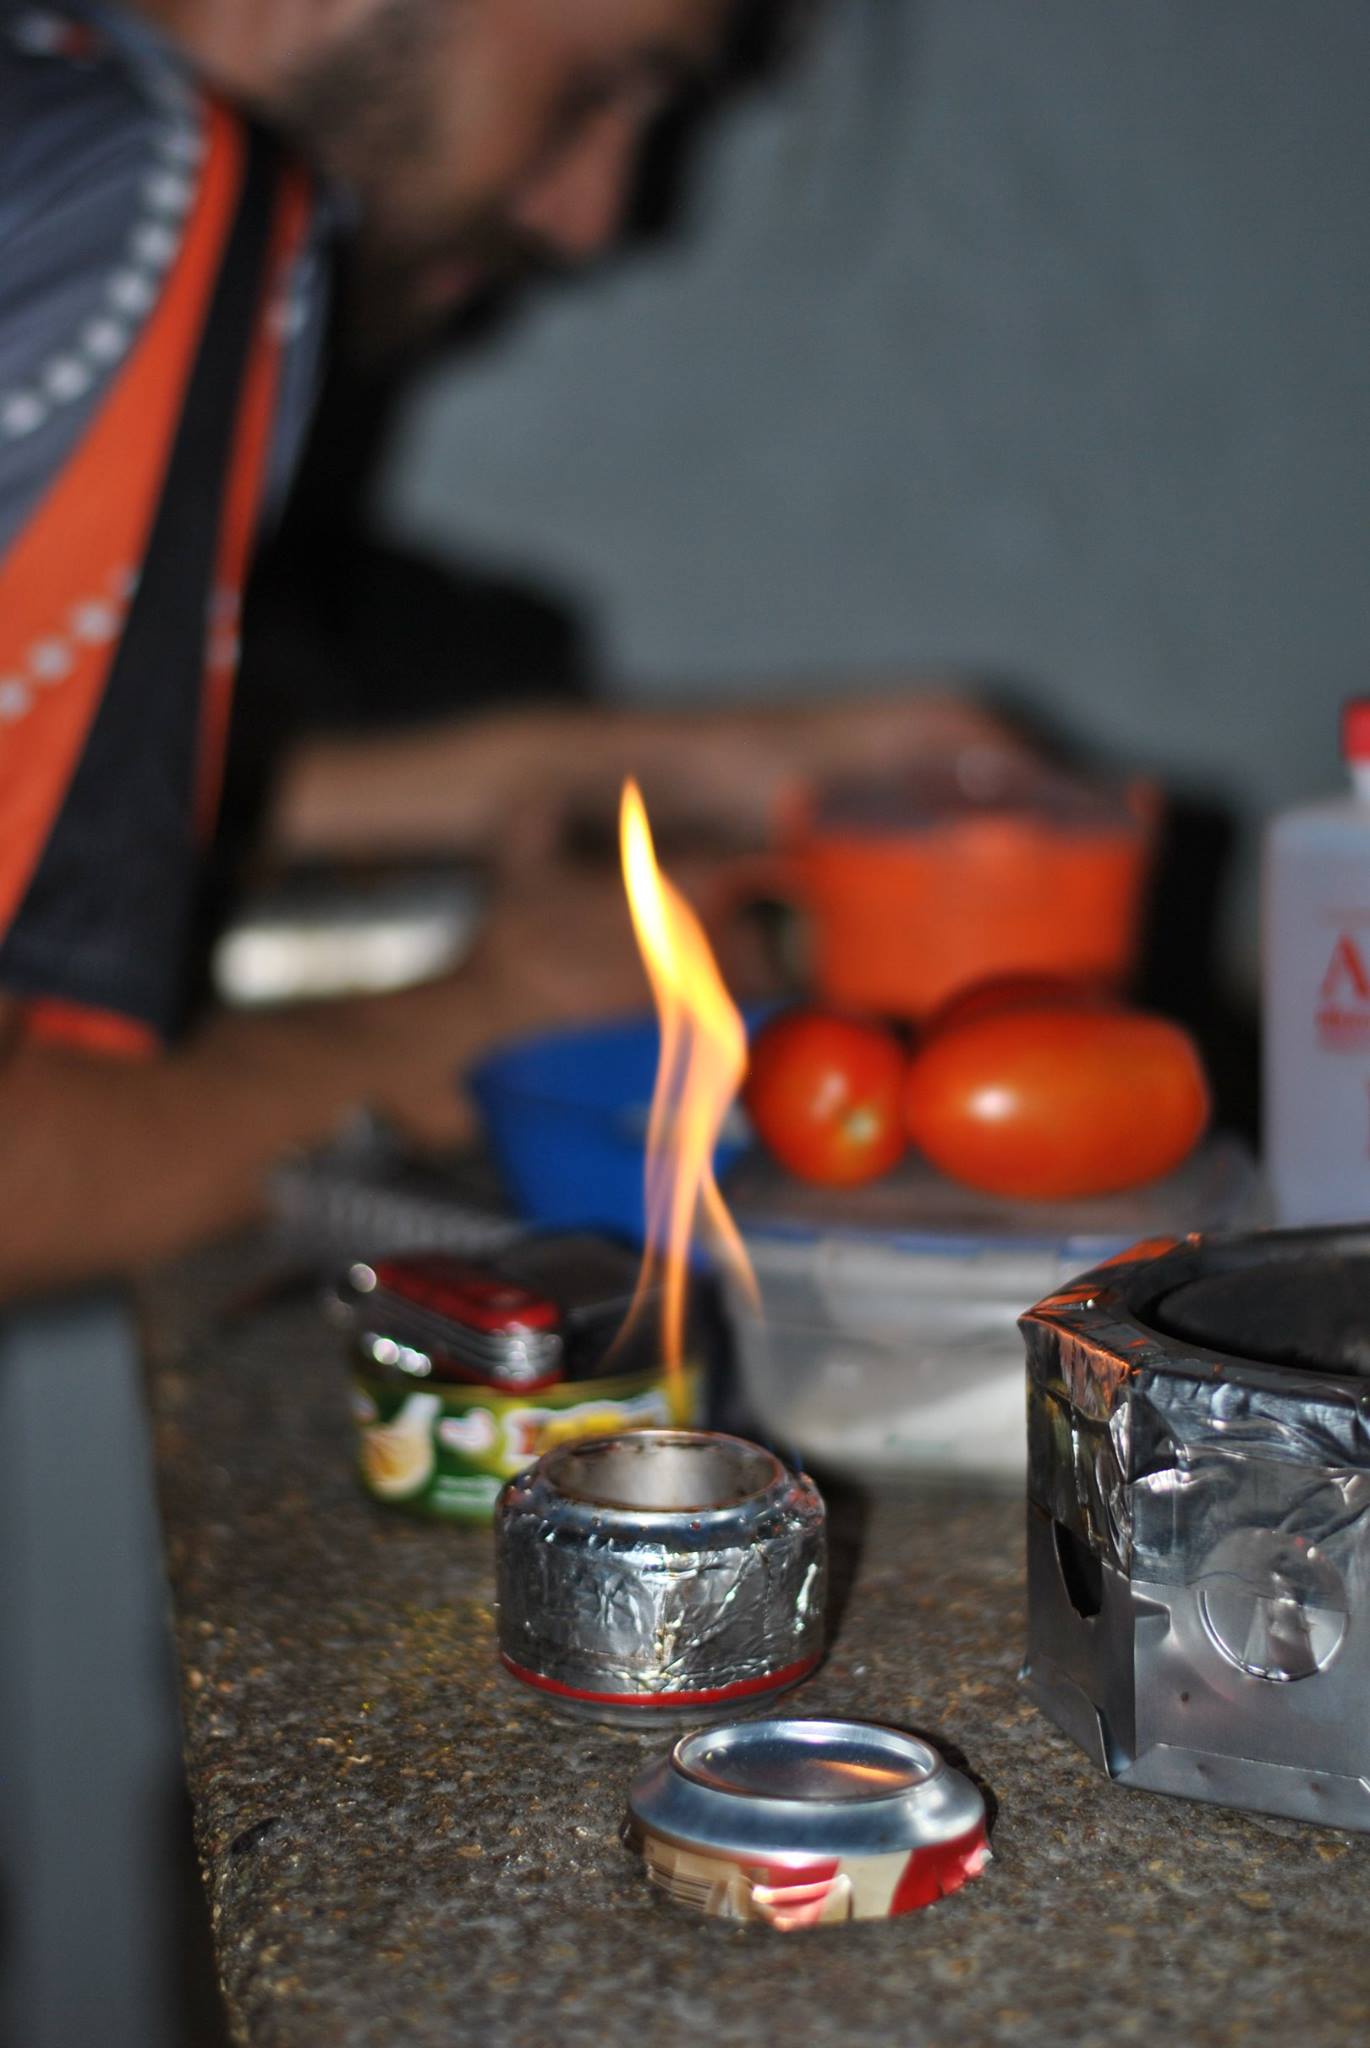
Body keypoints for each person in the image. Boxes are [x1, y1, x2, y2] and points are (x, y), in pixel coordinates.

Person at [0, 0, 1007, 1300]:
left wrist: (607, 767)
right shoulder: (143, 188)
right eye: (603, 89)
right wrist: (487, 1021)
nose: (595, 215)